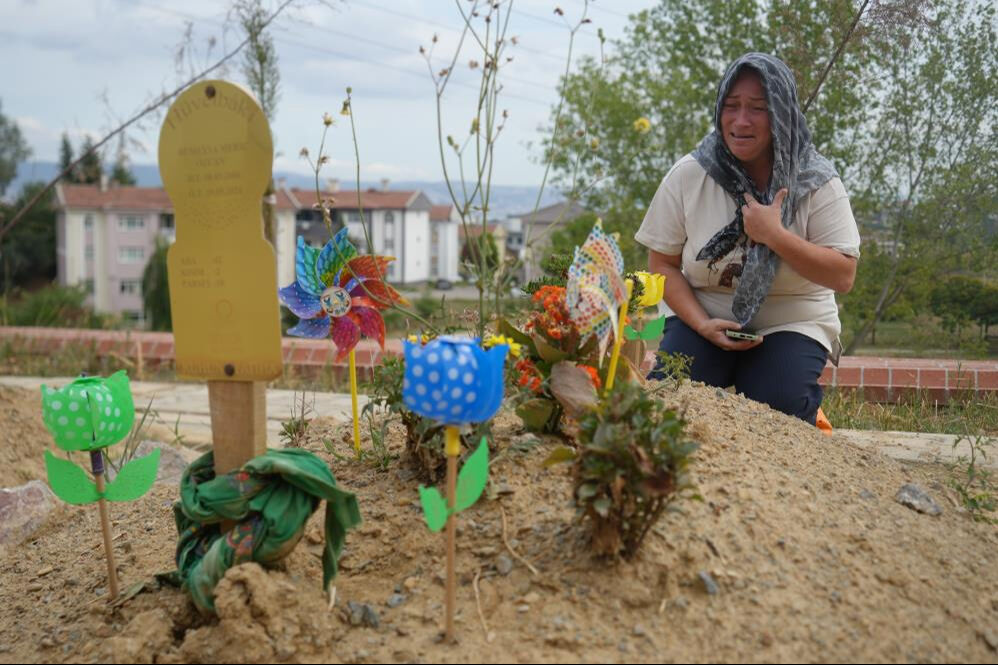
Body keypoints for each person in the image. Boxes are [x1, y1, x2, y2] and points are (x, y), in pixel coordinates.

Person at [635, 53, 860, 425]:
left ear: (782, 115)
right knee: (669, 402)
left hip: (792, 319)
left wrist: (775, 236)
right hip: (702, 315)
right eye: (731, 106)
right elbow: (662, 266)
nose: (740, 121)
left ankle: (802, 407)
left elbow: (844, 276)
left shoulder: (816, 180)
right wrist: (701, 323)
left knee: (779, 407)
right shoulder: (690, 173)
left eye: (758, 108)